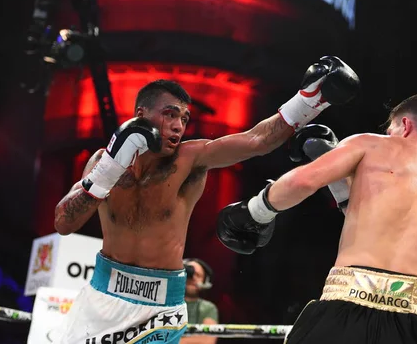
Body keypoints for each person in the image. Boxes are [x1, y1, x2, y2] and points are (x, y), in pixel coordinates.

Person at [52, 55, 360, 344]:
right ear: (141, 115)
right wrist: (109, 170)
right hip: (102, 295)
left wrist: (309, 100)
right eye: (170, 114)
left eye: (184, 119)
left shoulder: (191, 159)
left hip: (158, 310)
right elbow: (64, 223)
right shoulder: (101, 162)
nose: (178, 126)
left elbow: (258, 140)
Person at [217, 94, 417, 344]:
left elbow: (302, 181)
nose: (389, 136)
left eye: (391, 129)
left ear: (405, 125)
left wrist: (256, 211)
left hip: (348, 305)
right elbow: (390, 224)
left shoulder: (372, 144)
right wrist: (343, 188)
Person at [181, 258, 218, 344]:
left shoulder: (208, 307)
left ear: (204, 282)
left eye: (198, 275)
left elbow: (207, 340)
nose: (193, 278)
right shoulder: (165, 302)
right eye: (190, 273)